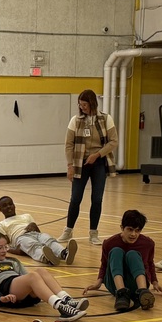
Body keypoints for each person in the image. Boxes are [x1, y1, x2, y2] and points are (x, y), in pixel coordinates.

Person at [0, 231, 89, 321]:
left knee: (40, 271)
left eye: (6, 247)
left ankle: (66, 299)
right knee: (33, 276)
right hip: (6, 291)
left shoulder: (12, 261)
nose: (4, 251)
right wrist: (0, 297)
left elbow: (28, 278)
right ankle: (61, 308)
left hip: (23, 293)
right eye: (0, 248)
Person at [60, 89, 118, 247]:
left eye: (84, 104)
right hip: (80, 164)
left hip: (99, 163)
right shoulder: (75, 120)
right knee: (75, 198)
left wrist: (98, 154)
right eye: (80, 104)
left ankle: (93, 233)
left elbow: (113, 141)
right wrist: (70, 165)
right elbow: (69, 144)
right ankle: (68, 230)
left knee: (97, 199)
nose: (82, 107)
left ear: (92, 103)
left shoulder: (106, 119)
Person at [84, 209, 162, 311]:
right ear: (122, 228)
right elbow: (104, 265)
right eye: (130, 229)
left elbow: (150, 263)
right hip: (114, 284)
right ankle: (121, 293)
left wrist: (155, 282)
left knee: (133, 254)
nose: (133, 234)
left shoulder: (148, 243)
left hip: (135, 283)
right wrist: (98, 282)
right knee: (116, 251)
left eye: (137, 230)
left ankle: (143, 292)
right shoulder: (109, 243)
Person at [0, 196, 77, 266]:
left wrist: (34, 226)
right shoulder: (1, 224)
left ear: (14, 205)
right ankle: (46, 258)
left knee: (48, 239)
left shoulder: (26, 216)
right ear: (0, 209)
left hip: (35, 234)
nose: (9, 207)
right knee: (33, 246)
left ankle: (64, 253)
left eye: (10, 204)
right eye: (5, 206)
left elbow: (38, 232)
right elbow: (5, 243)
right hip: (20, 237)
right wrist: (15, 250)